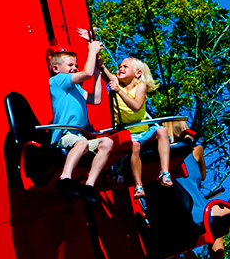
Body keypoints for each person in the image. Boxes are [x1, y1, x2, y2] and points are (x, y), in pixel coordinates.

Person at [47, 39, 118, 201]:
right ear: (56, 68)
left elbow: (95, 99)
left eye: (76, 65)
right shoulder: (58, 80)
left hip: (79, 136)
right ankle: (64, 179)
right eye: (70, 65)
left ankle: (89, 185)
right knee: (82, 143)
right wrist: (92, 51)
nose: (75, 68)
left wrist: (97, 72)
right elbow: (86, 73)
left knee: (107, 143)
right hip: (65, 135)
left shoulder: (76, 87)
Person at [105, 56, 173, 196]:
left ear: (138, 73)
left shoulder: (140, 86)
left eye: (125, 67)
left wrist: (119, 91)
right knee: (134, 145)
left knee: (162, 130)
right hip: (128, 134)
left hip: (143, 131)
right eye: (120, 67)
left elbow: (136, 106)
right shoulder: (117, 84)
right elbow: (103, 70)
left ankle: (165, 172)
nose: (120, 69)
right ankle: (139, 186)